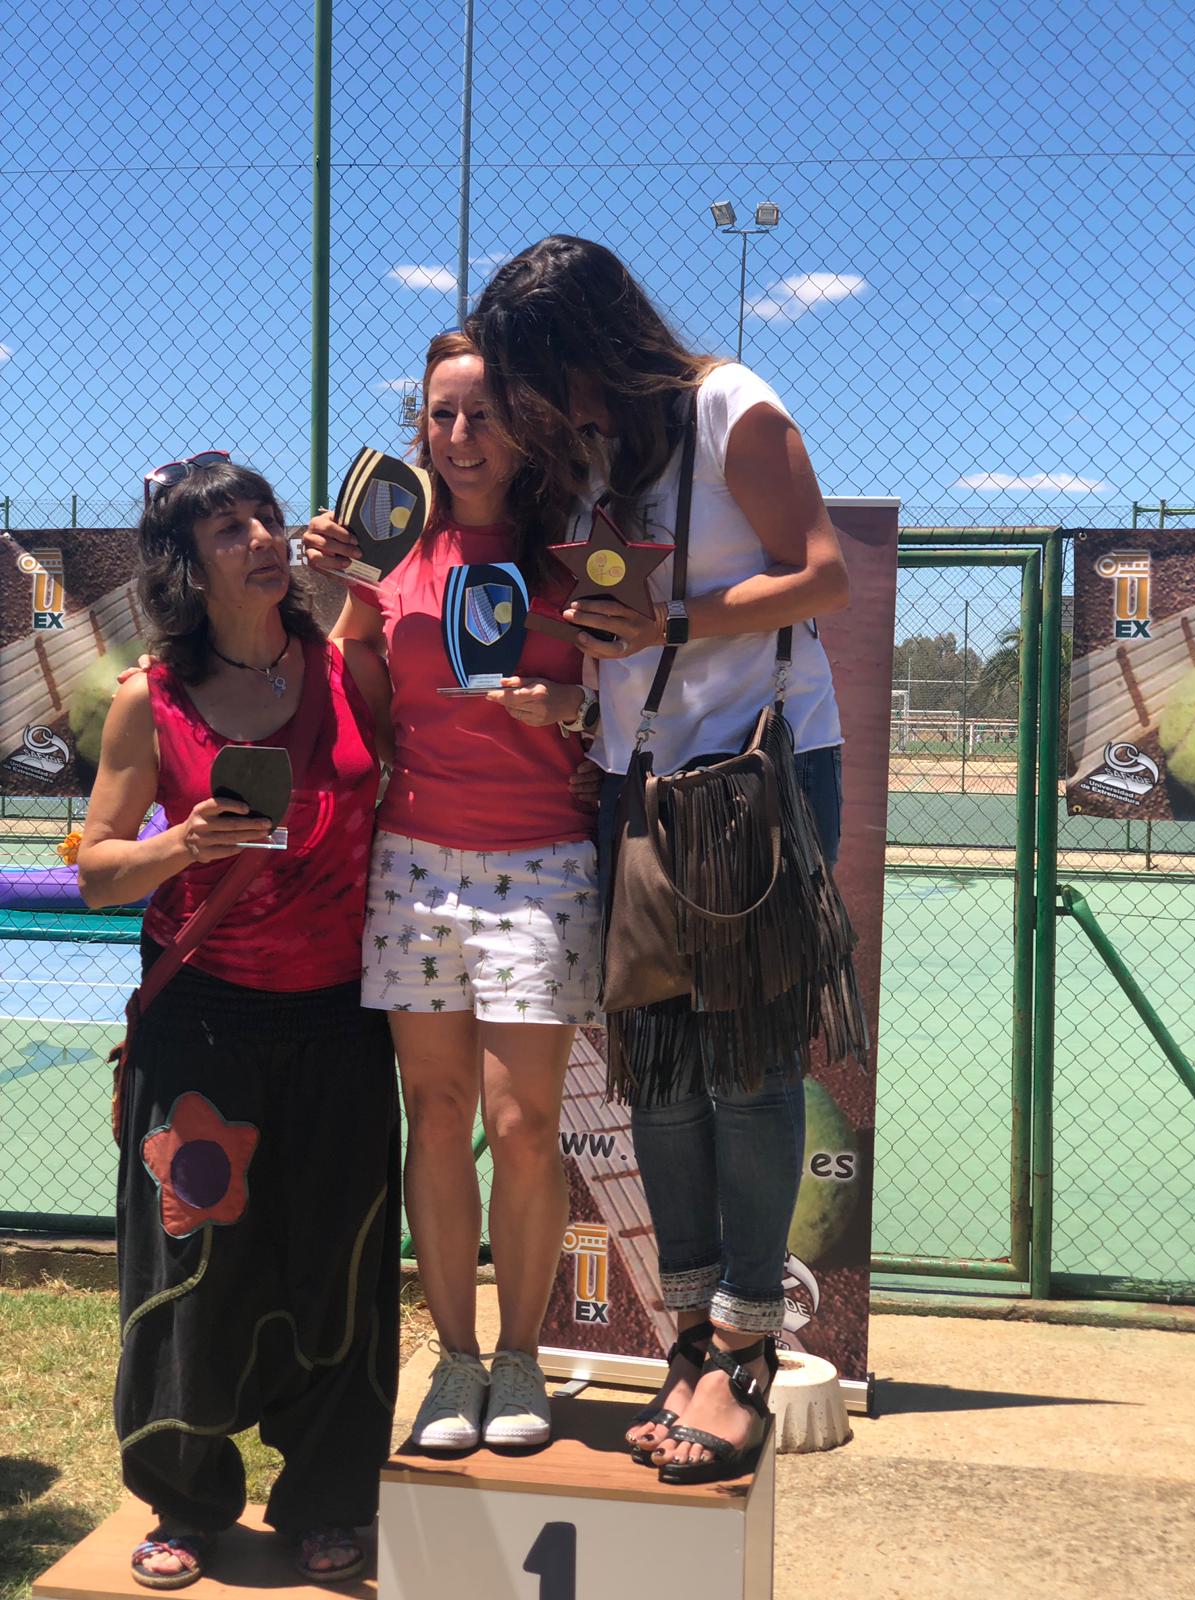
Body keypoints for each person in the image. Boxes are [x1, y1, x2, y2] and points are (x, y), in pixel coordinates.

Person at [468, 237, 853, 1484]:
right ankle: (688, 1339)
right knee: (662, 1075)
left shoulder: (730, 405)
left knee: (749, 1064)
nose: (531, 403)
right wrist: (584, 688)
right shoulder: (594, 461)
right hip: (637, 786)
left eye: (536, 372)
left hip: (758, 777)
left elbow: (826, 576)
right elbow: (623, 650)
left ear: (592, 341)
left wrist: (670, 620)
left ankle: (747, 1345)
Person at [77, 458, 400, 1587]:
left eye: (265, 516)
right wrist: (183, 844)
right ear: (184, 563)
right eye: (228, 528)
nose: (263, 537)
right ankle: (187, 1500)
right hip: (203, 1023)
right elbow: (98, 872)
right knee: (194, 1265)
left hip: (343, 1016)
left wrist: (361, 591)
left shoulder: (347, 670)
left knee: (340, 1263)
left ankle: (328, 1501)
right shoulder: (148, 699)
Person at [303, 331, 601, 1455]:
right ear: (419, 427)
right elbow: (361, 690)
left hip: (546, 861)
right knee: (434, 1114)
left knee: (524, 1126)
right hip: (416, 860)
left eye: (484, 413)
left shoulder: (575, 550)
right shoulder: (393, 549)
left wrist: (567, 710)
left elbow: (627, 698)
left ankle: (520, 1360)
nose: (462, 435)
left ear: (526, 427)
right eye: (442, 414)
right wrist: (342, 593)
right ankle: (455, 1362)